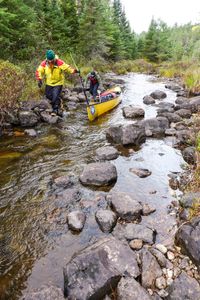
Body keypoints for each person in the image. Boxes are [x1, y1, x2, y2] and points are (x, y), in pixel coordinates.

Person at [36, 49, 79, 116]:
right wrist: (39, 79)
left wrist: (74, 71)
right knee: (48, 95)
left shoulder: (59, 62)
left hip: (58, 82)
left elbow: (68, 68)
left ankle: (55, 109)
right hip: (49, 82)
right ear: (47, 59)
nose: (50, 62)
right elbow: (39, 71)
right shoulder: (44, 63)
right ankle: (59, 101)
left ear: (54, 58)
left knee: (55, 96)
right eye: (49, 60)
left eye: (51, 60)